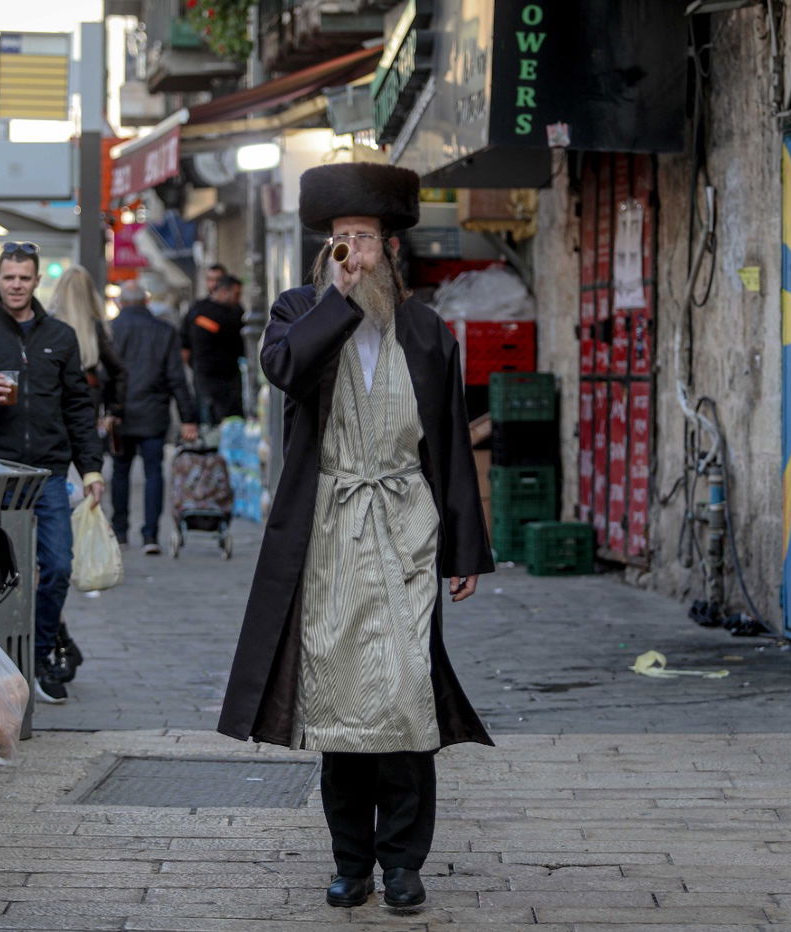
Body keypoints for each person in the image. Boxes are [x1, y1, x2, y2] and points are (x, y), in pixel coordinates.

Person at [217, 163, 493, 911]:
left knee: (406, 695)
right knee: (339, 701)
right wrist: (337, 300)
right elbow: (285, 369)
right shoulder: (298, 311)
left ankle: (403, 862)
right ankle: (351, 861)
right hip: (331, 530)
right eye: (340, 239)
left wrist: (466, 550)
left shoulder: (427, 330)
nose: (352, 252)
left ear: (391, 249)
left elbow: (448, 444)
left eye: (364, 239)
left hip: (406, 526)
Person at [0, 242, 106, 704]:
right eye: (9, 277)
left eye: (24, 278)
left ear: (37, 281)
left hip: (48, 472)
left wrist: (91, 469)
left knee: (56, 567)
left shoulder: (60, 335)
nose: (16, 285)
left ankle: (37, 656)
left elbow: (78, 406)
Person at [109, 281, 198, 554]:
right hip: (154, 413)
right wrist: (188, 418)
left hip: (119, 414)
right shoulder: (164, 331)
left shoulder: (111, 330)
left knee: (120, 471)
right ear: (146, 302)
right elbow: (176, 378)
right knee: (153, 472)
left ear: (120, 303)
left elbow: (103, 375)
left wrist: (104, 411)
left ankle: (120, 532)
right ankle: (150, 535)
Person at [47, 265, 127, 432]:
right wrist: (113, 408)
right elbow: (118, 370)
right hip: (88, 399)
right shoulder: (95, 327)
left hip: (54, 398)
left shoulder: (48, 324)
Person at [181, 273, 246, 424]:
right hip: (207, 376)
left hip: (231, 375)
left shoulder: (236, 311)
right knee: (210, 418)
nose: (238, 298)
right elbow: (185, 342)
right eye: (236, 294)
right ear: (224, 291)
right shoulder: (199, 309)